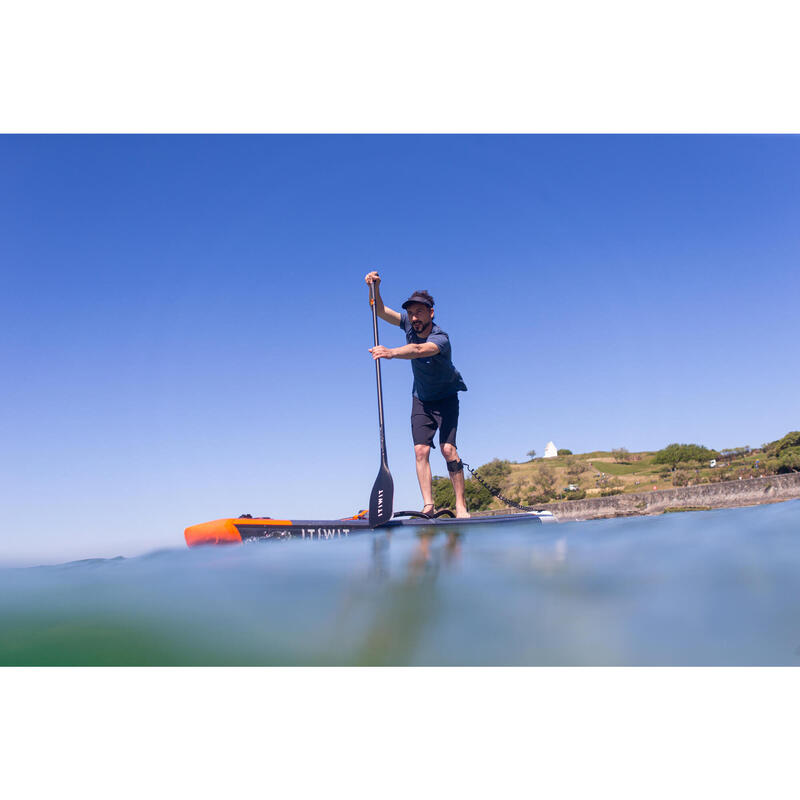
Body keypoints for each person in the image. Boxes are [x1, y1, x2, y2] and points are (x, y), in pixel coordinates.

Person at [365, 270, 470, 518]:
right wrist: (375, 288)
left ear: (431, 313)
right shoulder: (408, 325)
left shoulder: (441, 338)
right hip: (421, 399)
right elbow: (379, 311)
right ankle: (428, 505)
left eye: (419, 312)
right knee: (420, 451)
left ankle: (461, 506)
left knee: (448, 450)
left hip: (446, 398)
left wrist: (390, 352)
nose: (414, 317)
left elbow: (419, 349)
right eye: (411, 313)